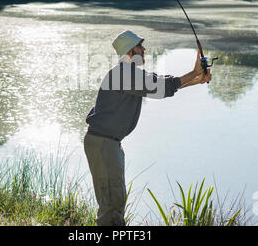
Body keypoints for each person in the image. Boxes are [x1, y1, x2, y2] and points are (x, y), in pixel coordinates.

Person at [83, 30, 212, 226]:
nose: (144, 49)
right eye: (140, 46)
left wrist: (196, 80)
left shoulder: (129, 74)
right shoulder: (125, 74)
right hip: (104, 144)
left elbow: (160, 85)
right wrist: (194, 72)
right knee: (112, 206)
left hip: (107, 144)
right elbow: (160, 86)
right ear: (129, 50)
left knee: (114, 202)